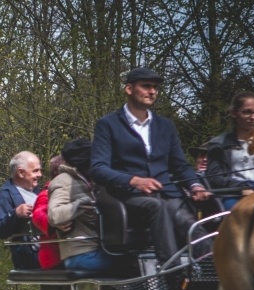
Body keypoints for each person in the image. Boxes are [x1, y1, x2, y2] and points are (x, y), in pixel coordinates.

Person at [90, 67, 212, 265]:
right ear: (129, 89)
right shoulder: (108, 124)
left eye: (155, 87)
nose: (152, 91)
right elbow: (98, 168)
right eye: (146, 86)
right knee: (157, 207)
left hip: (168, 193)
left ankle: (212, 269)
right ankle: (172, 272)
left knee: (188, 221)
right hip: (130, 196)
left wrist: (195, 185)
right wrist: (134, 181)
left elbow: (180, 165)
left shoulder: (165, 126)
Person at [49, 138, 124, 271]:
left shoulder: (91, 181)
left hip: (99, 249)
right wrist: (80, 204)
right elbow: (54, 215)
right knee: (133, 264)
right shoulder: (63, 181)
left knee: (140, 257)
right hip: (80, 255)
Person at [0, 151, 42, 269]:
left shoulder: (38, 192)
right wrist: (15, 214)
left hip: (49, 247)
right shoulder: (5, 195)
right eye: (35, 171)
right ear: (20, 172)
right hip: (30, 255)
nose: (40, 174)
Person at [31, 155, 63, 270]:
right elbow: (38, 214)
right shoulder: (46, 194)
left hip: (64, 253)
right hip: (54, 258)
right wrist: (53, 223)